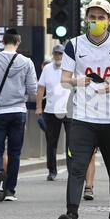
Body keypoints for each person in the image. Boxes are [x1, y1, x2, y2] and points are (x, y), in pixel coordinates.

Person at [56, 0, 110, 219]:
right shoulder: (74, 45)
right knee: (76, 168)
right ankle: (71, 218)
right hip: (83, 117)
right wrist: (77, 81)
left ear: (109, 20)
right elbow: (64, 79)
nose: (95, 21)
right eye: (92, 17)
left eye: (101, 17)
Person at [0, 28, 37, 202]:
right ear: (18, 42)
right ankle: (10, 190)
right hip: (18, 112)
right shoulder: (27, 62)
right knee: (15, 152)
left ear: (3, 42)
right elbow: (33, 89)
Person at [36, 44, 71, 181]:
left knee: (71, 143)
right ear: (53, 55)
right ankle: (52, 170)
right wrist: (39, 107)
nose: (58, 56)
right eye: (56, 54)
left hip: (69, 111)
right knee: (51, 142)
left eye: (61, 54)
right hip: (51, 110)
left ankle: (72, 169)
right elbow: (40, 89)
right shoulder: (47, 69)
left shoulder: (70, 68)